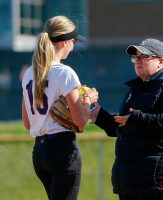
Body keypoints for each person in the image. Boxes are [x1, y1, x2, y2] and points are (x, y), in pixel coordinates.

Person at [91, 38, 163, 200]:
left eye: (144, 56)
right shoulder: (136, 89)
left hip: (162, 179)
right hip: (135, 179)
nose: (138, 61)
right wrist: (98, 115)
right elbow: (123, 126)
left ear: (161, 61)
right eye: (136, 57)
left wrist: (136, 118)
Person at [21, 15, 98, 200]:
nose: (73, 46)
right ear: (64, 42)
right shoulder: (65, 73)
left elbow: (26, 123)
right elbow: (80, 122)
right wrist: (88, 100)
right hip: (62, 149)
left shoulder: (30, 73)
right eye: (73, 41)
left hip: (39, 152)